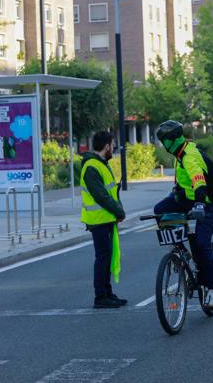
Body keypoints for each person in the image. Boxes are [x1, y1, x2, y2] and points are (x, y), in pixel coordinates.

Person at [154, 120, 213, 308]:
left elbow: (198, 181)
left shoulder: (189, 155)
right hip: (187, 197)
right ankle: (181, 251)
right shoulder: (179, 153)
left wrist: (200, 204)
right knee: (159, 211)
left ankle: (211, 290)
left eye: (163, 141)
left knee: (201, 242)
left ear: (171, 140)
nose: (162, 145)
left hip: (208, 202)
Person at [80, 131, 127, 309]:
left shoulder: (100, 164)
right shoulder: (92, 166)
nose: (113, 148)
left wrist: (116, 212)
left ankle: (107, 292)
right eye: (112, 145)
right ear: (107, 146)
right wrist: (119, 211)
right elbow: (101, 196)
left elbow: (110, 193)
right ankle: (100, 296)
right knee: (102, 258)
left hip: (106, 218)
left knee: (107, 257)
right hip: (98, 219)